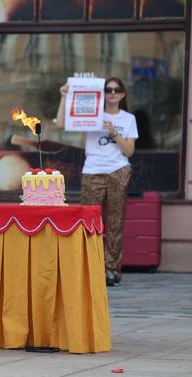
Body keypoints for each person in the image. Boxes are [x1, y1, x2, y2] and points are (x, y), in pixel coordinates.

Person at [56, 77, 138, 287]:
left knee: (115, 223)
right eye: (108, 89)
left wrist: (114, 132)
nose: (111, 93)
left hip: (118, 171)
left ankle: (112, 271)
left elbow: (129, 151)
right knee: (89, 222)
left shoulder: (128, 118)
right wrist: (65, 96)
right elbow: (61, 123)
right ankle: (90, 268)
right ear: (102, 93)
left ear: (122, 94)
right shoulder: (92, 114)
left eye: (116, 89)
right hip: (92, 171)